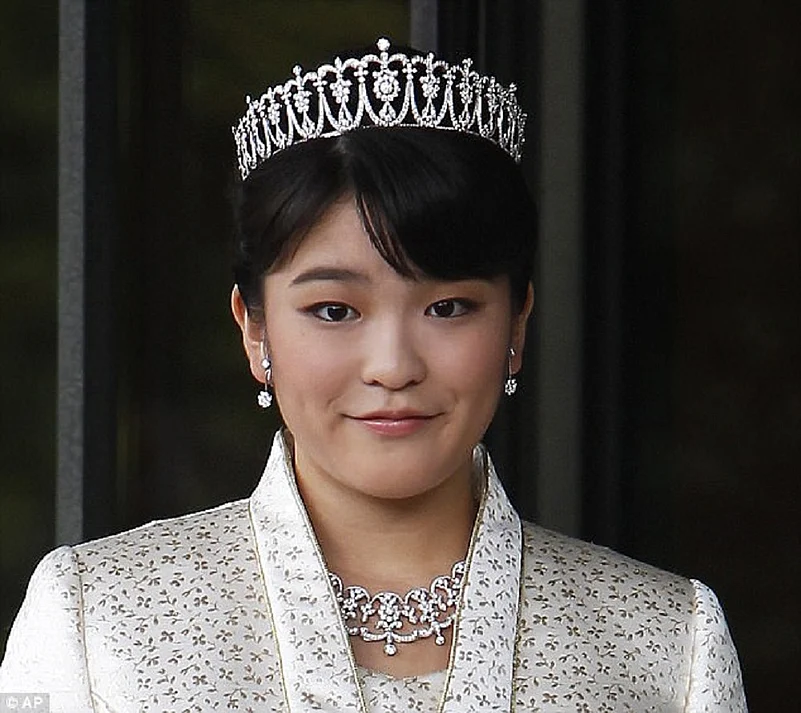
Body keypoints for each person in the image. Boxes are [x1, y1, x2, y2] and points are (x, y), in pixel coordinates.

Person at [0, 38, 746, 712]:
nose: (393, 365)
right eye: (334, 311)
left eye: (448, 307)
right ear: (255, 328)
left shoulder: (666, 642)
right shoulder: (93, 617)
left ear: (516, 325)